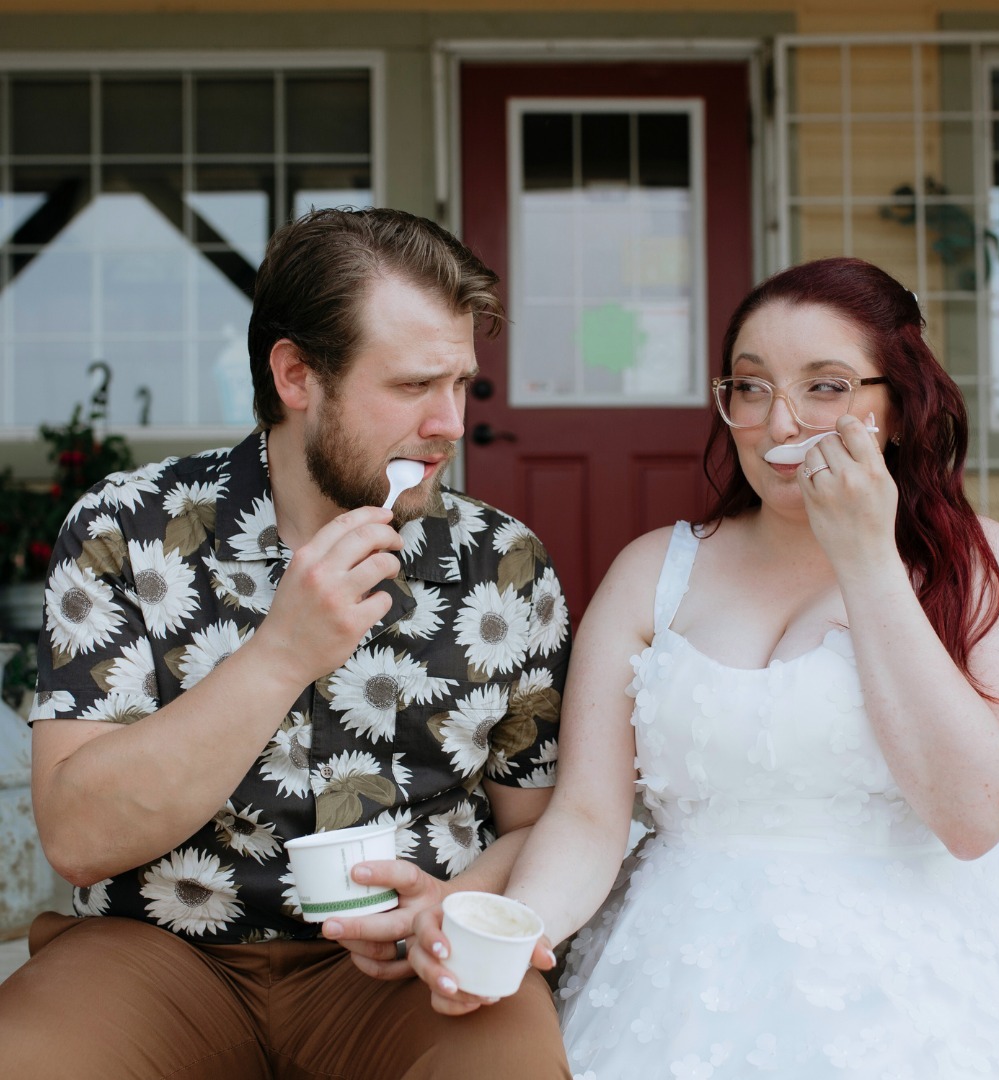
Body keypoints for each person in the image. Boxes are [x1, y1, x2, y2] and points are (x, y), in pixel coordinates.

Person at [411, 257, 999, 1076]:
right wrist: (517, 935)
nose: (780, 422)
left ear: (898, 408)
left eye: (826, 387)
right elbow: (589, 818)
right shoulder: (653, 571)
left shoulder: (980, 565)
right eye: (751, 387)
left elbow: (975, 818)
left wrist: (868, 558)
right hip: (684, 972)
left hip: (923, 974)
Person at [0, 207, 573, 1080]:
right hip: (156, 953)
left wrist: (455, 904)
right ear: (297, 374)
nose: (451, 423)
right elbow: (77, 837)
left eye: (462, 384)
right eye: (415, 386)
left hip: (402, 968)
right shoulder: (128, 528)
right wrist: (279, 655)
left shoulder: (504, 563)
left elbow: (539, 825)